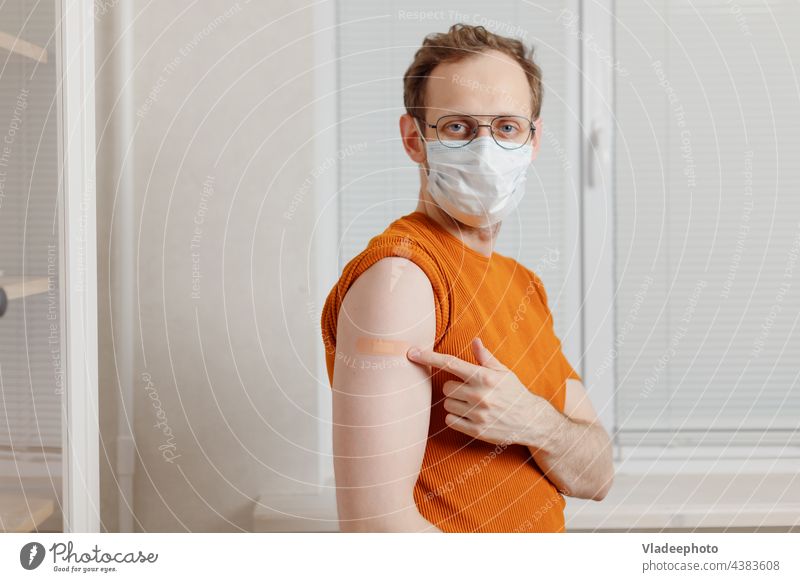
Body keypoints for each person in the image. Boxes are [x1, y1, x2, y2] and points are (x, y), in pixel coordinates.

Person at [320, 23, 614, 533]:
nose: (485, 150)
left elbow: (598, 475)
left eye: (506, 128)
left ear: (534, 139)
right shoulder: (402, 280)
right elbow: (377, 529)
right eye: (458, 127)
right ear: (415, 138)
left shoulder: (524, 287)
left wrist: (534, 420)